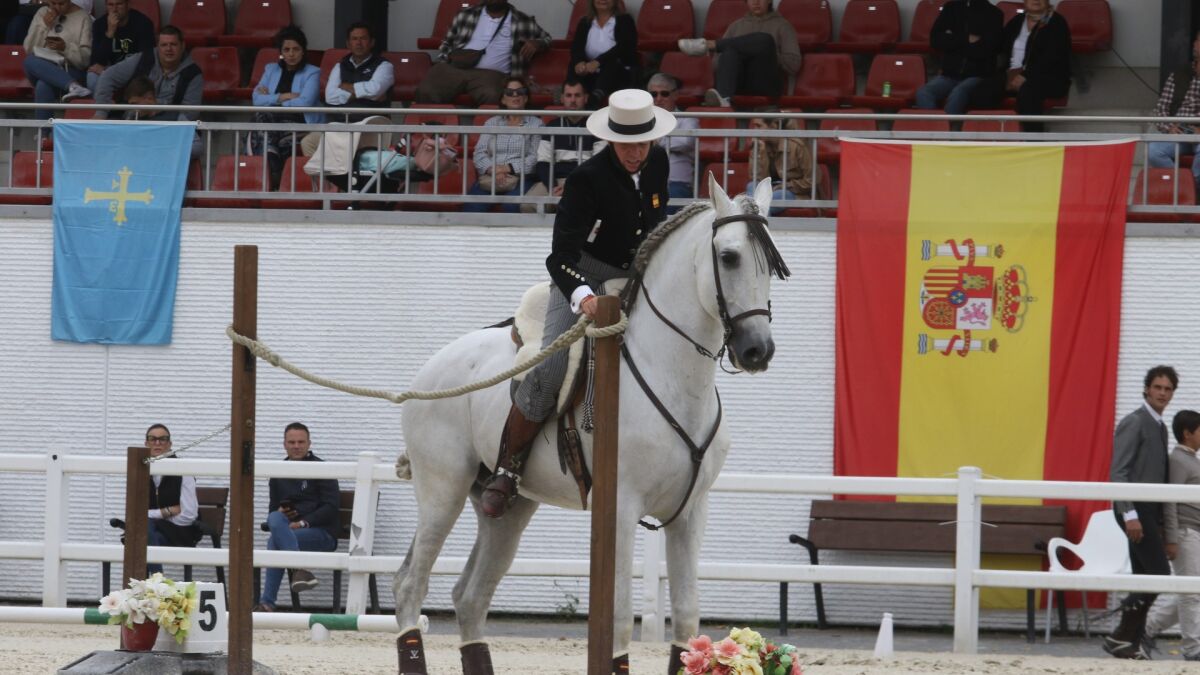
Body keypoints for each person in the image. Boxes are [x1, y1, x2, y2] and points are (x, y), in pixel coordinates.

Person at [479, 89, 674, 518]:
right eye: (627, 145)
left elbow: (656, 223)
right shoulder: (588, 179)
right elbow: (560, 257)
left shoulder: (658, 162)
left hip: (637, 275)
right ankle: (508, 468)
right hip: (582, 275)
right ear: (612, 141)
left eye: (643, 144)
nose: (636, 153)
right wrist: (583, 295)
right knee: (552, 366)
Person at [1104, 365, 1178, 660]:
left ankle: (1127, 642)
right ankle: (1121, 634)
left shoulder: (1160, 426)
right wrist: (1130, 515)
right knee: (1159, 574)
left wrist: (1158, 522)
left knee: (1144, 575)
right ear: (1147, 388)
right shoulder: (1134, 421)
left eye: (1168, 389)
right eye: (1157, 387)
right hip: (1133, 509)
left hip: (1148, 510)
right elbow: (1118, 472)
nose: (1162, 393)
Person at [254, 422, 340, 613]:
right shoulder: (278, 472)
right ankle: (299, 570)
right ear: (284, 444)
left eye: (301, 442)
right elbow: (272, 512)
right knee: (275, 517)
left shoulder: (324, 468)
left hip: (321, 533)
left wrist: (302, 523)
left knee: (274, 543)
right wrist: (282, 512)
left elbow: (331, 508)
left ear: (309, 443)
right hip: (289, 530)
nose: (296, 446)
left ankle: (267, 604)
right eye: (291, 442)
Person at [1142, 409, 1200, 662]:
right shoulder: (1178, 460)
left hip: (1195, 532)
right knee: (1190, 593)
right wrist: (1173, 538)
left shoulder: (1192, 459)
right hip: (1185, 533)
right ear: (1187, 433)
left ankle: (1145, 629)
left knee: (1193, 591)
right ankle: (1193, 648)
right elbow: (1170, 501)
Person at [415, 0, 552, 107]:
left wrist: (537, 43)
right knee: (427, 90)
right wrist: (443, 63)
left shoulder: (523, 20)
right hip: (455, 68)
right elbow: (447, 42)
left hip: (492, 75)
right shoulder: (465, 14)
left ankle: (485, 134)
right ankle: (429, 131)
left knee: (494, 96)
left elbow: (547, 39)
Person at [677, 0, 801, 108]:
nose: (756, 2)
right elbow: (716, 65)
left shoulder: (783, 26)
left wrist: (768, 53)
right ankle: (724, 99)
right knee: (730, 51)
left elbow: (794, 64)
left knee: (764, 40)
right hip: (738, 83)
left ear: (769, 0)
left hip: (766, 83)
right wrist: (742, 51)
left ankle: (708, 45)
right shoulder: (736, 26)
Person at [297, 21, 392, 158]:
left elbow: (375, 90)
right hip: (340, 125)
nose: (358, 43)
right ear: (348, 44)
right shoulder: (340, 65)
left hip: (369, 128)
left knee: (349, 150)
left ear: (372, 42)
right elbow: (330, 96)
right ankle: (324, 173)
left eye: (363, 38)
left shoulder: (384, 65)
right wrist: (363, 92)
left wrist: (348, 87)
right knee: (308, 142)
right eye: (354, 39)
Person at [250, 25, 324, 190]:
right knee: (262, 117)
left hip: (300, 123)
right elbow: (256, 99)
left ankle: (270, 169)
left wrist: (272, 100)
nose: (291, 54)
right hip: (274, 124)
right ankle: (273, 166)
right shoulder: (271, 69)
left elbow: (305, 103)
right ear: (281, 52)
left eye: (296, 49)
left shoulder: (312, 72)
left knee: (262, 120)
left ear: (303, 51)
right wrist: (283, 96)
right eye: (287, 49)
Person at [464, 76, 543, 213]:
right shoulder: (492, 122)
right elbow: (479, 153)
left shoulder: (537, 124)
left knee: (511, 206)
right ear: (503, 99)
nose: (515, 95)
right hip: (491, 176)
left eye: (520, 92)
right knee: (472, 206)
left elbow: (534, 158)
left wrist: (507, 169)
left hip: (522, 178)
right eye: (509, 92)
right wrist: (494, 170)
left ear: (526, 98)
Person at [93, 25, 203, 122]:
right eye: (164, 45)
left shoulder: (193, 73)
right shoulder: (143, 58)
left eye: (173, 44)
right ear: (157, 47)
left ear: (182, 46)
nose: (168, 49)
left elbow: (190, 113)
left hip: (169, 124)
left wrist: (154, 108)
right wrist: (101, 113)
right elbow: (107, 77)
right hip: (133, 119)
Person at [990, 0, 1071, 131]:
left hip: (1048, 78)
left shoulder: (1056, 22)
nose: (1036, 0)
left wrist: (1026, 75)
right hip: (1012, 74)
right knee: (984, 90)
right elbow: (999, 46)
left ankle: (1033, 138)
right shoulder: (1017, 21)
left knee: (1028, 93)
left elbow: (1051, 57)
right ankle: (991, 135)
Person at [522, 77, 598, 214]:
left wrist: (573, 185)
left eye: (577, 95)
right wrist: (553, 187)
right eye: (569, 95)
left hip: (586, 181)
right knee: (528, 205)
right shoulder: (552, 126)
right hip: (556, 181)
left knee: (580, 206)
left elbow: (598, 164)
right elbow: (543, 162)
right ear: (562, 98)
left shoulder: (596, 126)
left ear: (585, 98)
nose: (573, 100)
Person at [913, 0, 1003, 115]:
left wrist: (952, 40)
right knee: (923, 92)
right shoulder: (951, 8)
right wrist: (965, 39)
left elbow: (986, 49)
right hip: (949, 75)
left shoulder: (994, 14)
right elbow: (936, 40)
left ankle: (949, 126)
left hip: (977, 76)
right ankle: (935, 125)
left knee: (958, 93)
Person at [142, 424, 201, 575]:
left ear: (170, 444)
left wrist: (154, 516)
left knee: (143, 535)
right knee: (146, 534)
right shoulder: (141, 471)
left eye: (163, 439)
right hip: (153, 531)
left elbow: (188, 515)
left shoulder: (183, 470)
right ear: (146, 443)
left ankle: (154, 582)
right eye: (152, 439)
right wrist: (167, 511)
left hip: (180, 531)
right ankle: (158, 581)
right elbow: (136, 511)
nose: (157, 443)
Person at [1147, 31, 1200, 198]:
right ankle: (1185, 189)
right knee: (1154, 151)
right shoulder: (1178, 75)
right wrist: (1170, 127)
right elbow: (1160, 110)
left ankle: (1193, 194)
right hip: (1179, 132)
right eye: (1198, 41)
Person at [22, 0, 92, 119]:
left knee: (43, 85)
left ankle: (43, 130)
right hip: (43, 65)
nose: (57, 7)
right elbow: (29, 49)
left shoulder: (83, 17)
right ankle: (72, 86)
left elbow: (85, 60)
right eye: (53, 3)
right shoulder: (42, 12)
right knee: (29, 60)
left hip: (70, 69)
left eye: (61, 4)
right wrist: (44, 26)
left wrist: (65, 48)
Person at [567, 0, 638, 109]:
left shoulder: (625, 20)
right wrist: (579, 62)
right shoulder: (585, 22)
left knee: (612, 64)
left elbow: (625, 47)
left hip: (618, 72)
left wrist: (598, 62)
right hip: (591, 71)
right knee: (573, 65)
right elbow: (576, 47)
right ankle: (570, 94)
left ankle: (595, 97)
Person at [746, 110, 816, 216]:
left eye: (758, 126)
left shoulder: (797, 146)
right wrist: (760, 154)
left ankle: (755, 224)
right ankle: (756, 223)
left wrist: (785, 186)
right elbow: (756, 178)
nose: (755, 130)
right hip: (769, 189)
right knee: (752, 186)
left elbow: (810, 181)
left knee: (763, 203)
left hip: (792, 192)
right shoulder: (759, 145)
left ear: (773, 126)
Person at [649, 72, 697, 211]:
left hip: (675, 185)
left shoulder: (687, 119)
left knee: (660, 208)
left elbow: (686, 141)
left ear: (675, 95)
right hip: (647, 184)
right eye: (653, 94)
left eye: (664, 94)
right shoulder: (643, 120)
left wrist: (656, 139)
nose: (658, 99)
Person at [86, 0, 155, 93]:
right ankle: (105, 102)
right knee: (92, 77)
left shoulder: (143, 23)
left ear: (128, 5)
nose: (114, 9)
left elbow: (145, 61)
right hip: (108, 72)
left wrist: (108, 71)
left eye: (119, 4)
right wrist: (110, 32)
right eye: (110, 5)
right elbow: (96, 62)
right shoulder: (99, 24)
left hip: (133, 72)